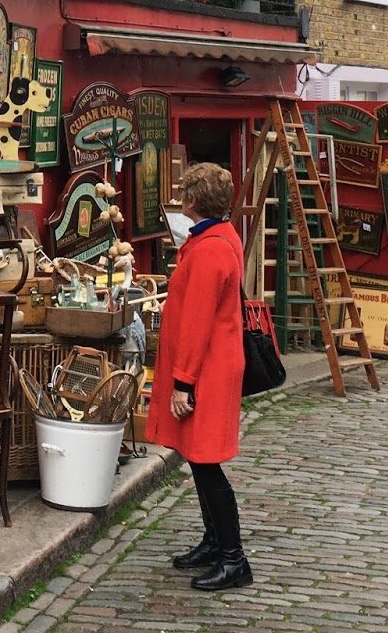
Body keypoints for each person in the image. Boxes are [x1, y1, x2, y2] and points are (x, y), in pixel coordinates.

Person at [145, 162, 251, 591]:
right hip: (214, 365)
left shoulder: (208, 250)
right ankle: (214, 543)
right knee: (199, 458)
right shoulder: (218, 237)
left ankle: (233, 558)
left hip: (207, 370)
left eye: (184, 192)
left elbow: (197, 322)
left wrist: (182, 382)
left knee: (207, 464)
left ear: (192, 199)